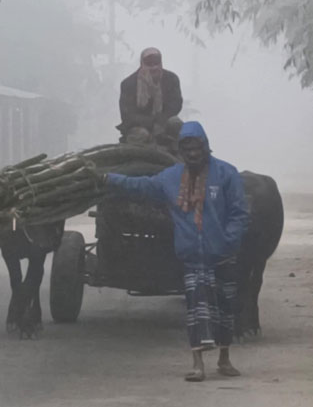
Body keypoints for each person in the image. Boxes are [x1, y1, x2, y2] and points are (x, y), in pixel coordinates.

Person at [103, 121, 250, 382]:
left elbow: (239, 213)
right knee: (196, 310)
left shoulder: (227, 174)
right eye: (187, 149)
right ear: (181, 151)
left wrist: (228, 241)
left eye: (197, 148)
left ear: (205, 147)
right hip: (193, 257)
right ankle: (197, 365)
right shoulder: (170, 178)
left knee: (225, 309)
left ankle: (224, 358)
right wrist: (107, 178)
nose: (193, 153)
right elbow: (140, 186)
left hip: (223, 255)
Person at [117, 47, 183, 151]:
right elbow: (127, 115)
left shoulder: (171, 79)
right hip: (137, 126)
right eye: (149, 64)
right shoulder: (128, 84)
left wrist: (161, 122)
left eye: (156, 63)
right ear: (142, 64)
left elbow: (176, 105)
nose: (153, 68)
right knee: (141, 135)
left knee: (175, 123)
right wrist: (151, 123)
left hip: (164, 122)